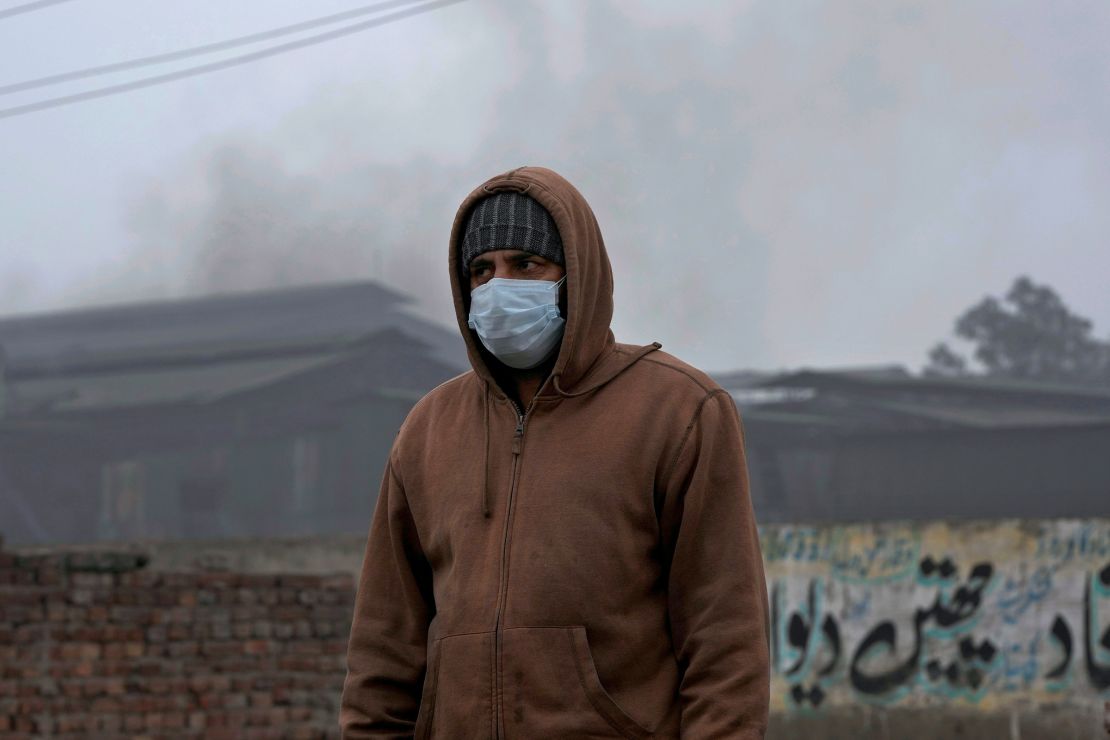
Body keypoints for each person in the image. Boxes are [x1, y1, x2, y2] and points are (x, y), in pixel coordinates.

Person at [339, 166, 770, 739]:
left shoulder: (679, 411)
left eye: (526, 265)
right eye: (480, 271)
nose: (498, 287)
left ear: (576, 276)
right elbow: (383, 650)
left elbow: (725, 642)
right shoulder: (428, 431)